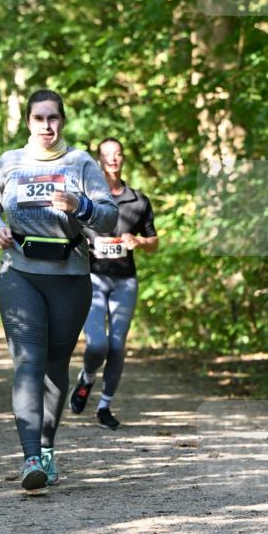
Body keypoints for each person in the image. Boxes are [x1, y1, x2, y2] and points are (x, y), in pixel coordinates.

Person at [0, 89, 117, 493]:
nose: (46, 126)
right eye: (39, 118)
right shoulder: (9, 162)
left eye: (53, 118)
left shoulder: (81, 163)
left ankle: (47, 448)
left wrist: (80, 206)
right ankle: (30, 458)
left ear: (63, 121)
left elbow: (109, 218)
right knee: (28, 361)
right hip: (19, 273)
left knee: (55, 366)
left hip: (70, 276)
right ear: (28, 122)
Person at [70, 137, 158, 429]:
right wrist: (83, 246)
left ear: (123, 158)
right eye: (107, 155)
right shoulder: (86, 199)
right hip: (92, 279)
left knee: (117, 346)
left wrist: (138, 241)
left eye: (117, 154)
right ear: (99, 160)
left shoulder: (138, 201)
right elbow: (68, 233)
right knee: (98, 344)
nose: (113, 159)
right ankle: (87, 378)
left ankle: (104, 406)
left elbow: (154, 242)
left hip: (125, 281)